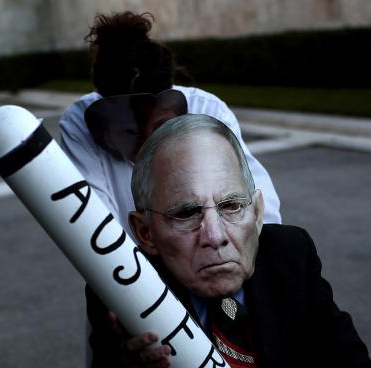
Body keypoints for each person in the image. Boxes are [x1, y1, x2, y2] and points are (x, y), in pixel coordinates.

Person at [83, 114, 371, 368]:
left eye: (231, 205)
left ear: (257, 213)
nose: (215, 236)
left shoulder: (289, 254)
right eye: (186, 213)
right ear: (144, 233)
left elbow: (345, 354)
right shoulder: (122, 291)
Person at [58, 11, 282, 233]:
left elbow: (255, 201)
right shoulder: (79, 123)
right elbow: (96, 221)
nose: (146, 143)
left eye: (159, 126)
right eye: (128, 130)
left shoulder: (208, 110)